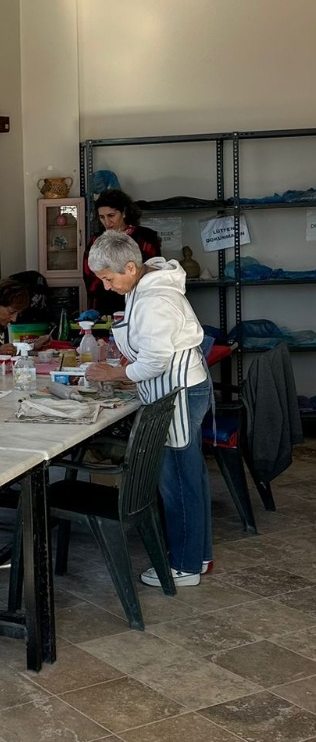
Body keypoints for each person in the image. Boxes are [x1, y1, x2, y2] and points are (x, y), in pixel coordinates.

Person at [84, 231, 212, 587]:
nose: (107, 287)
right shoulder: (145, 282)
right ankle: (197, 556)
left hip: (178, 392)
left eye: (108, 278)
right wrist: (132, 377)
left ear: (130, 267)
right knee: (188, 476)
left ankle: (184, 567)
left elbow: (156, 360)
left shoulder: (155, 299)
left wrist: (117, 373)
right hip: (175, 387)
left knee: (179, 481)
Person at [83, 188, 161, 315]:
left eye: (111, 215)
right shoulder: (96, 241)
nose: (107, 222)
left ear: (124, 212)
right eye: (102, 217)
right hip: (104, 306)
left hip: (140, 302)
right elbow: (89, 278)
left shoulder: (146, 238)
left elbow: (153, 273)